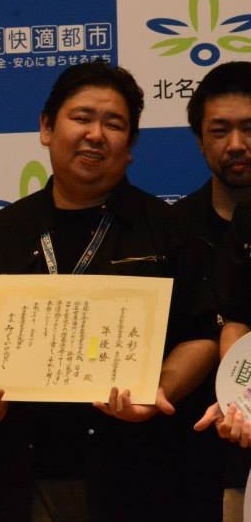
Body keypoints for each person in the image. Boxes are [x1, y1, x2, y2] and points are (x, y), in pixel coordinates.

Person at [0, 61, 217, 522]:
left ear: (130, 146)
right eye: (82, 118)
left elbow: (202, 336)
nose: (95, 134)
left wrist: (159, 389)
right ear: (46, 128)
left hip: (140, 470)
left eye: (114, 124)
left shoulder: (167, 230)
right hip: (23, 467)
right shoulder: (4, 231)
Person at [187, 61, 251, 522]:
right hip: (187, 466)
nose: (237, 144)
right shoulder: (169, 231)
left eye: (250, 128)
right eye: (220, 130)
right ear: (199, 139)